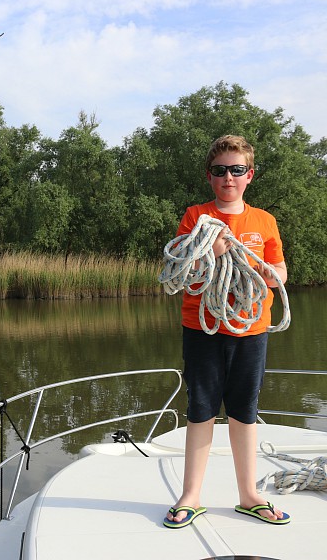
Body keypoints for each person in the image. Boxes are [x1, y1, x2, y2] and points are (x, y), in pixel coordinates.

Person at [163, 134, 290, 528]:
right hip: (202, 329)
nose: (228, 178)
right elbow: (181, 270)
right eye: (220, 171)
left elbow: (281, 270)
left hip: (251, 330)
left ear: (249, 175)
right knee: (200, 410)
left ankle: (249, 496)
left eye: (237, 170)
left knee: (243, 412)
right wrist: (212, 251)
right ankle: (191, 496)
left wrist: (269, 275)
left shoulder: (264, 221)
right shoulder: (195, 216)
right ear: (209, 176)